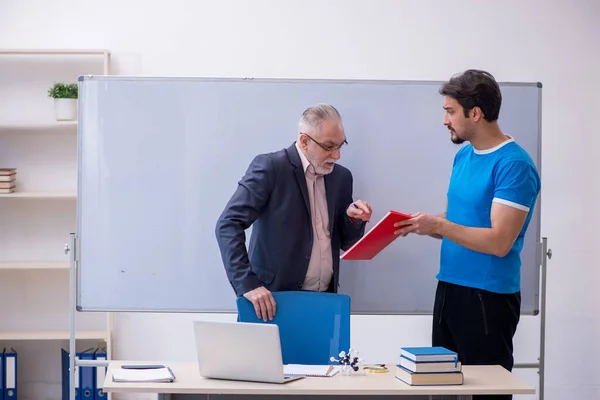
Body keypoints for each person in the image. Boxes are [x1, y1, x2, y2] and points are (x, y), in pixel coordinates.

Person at [394, 70, 540, 400]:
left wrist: (440, 227)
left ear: (475, 113)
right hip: (450, 289)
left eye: (450, 111)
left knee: (488, 394)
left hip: (486, 298)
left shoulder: (514, 165)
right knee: (440, 389)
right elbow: (462, 220)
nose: (445, 120)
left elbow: (499, 241)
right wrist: (425, 224)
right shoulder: (464, 154)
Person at [215, 103, 372, 322]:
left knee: (318, 358)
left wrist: (353, 220)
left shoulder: (341, 177)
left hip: (323, 303)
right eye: (328, 146)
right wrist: (247, 284)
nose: (336, 155)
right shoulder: (271, 167)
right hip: (271, 302)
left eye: (340, 145)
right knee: (264, 358)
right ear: (304, 141)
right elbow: (228, 224)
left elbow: (346, 242)